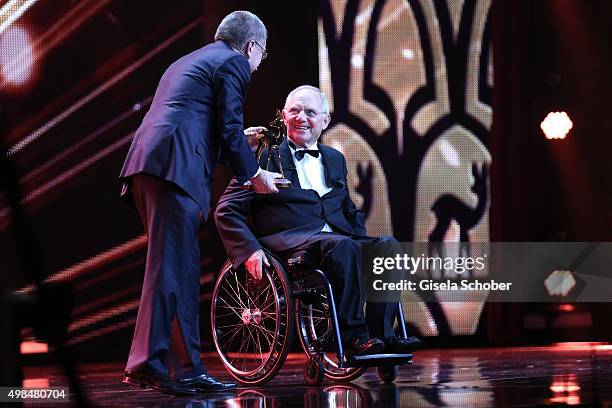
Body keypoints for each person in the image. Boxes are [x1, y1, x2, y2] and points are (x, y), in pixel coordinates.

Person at [119, 11, 281, 396]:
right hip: (172, 168)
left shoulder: (190, 60)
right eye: (262, 56)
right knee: (171, 266)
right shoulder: (234, 63)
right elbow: (224, 126)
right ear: (252, 47)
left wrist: (241, 142)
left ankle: (184, 367)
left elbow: (201, 123)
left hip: (154, 164)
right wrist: (254, 175)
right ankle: (151, 364)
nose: (258, 66)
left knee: (180, 269)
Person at [214, 85, 421, 358]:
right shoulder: (264, 156)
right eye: (295, 111)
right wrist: (248, 250)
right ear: (283, 117)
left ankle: (383, 335)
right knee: (342, 246)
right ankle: (352, 336)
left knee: (388, 247)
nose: (301, 117)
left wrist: (363, 243)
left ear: (325, 120)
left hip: (336, 240)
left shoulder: (335, 159)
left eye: (310, 112)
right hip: (292, 241)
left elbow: (347, 209)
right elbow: (226, 209)